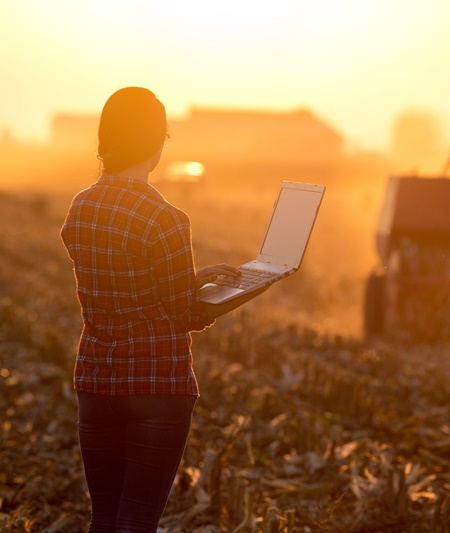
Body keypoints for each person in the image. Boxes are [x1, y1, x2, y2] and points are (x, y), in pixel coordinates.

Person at [60, 87, 252, 531]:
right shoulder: (166, 218)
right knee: (137, 522)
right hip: (155, 387)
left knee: (104, 518)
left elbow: (123, 281)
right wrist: (236, 295)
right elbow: (182, 314)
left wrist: (196, 276)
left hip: (96, 380)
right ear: (155, 142)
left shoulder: (80, 208)